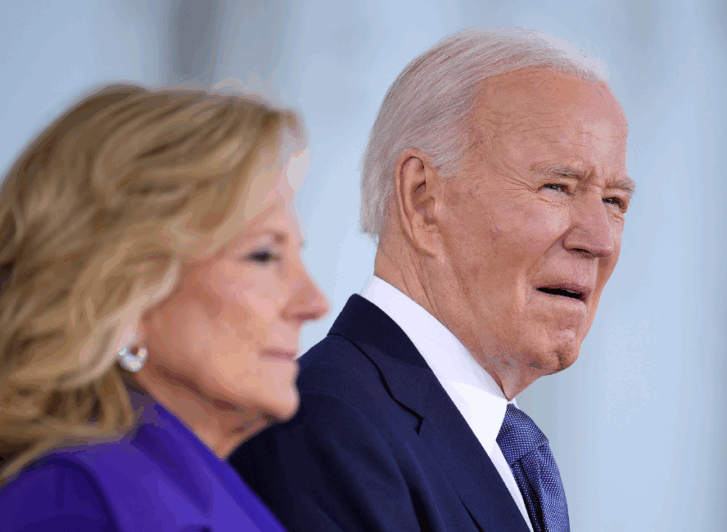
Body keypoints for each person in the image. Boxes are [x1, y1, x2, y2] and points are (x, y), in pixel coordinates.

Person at [229, 26, 634, 532]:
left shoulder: (499, 449)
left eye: (614, 201)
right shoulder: (331, 431)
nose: (599, 240)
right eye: (557, 186)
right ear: (422, 198)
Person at [0, 84, 328, 532]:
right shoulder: (73, 504)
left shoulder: (205, 492)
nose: (314, 303)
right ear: (122, 292)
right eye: (263, 255)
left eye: (298, 253)